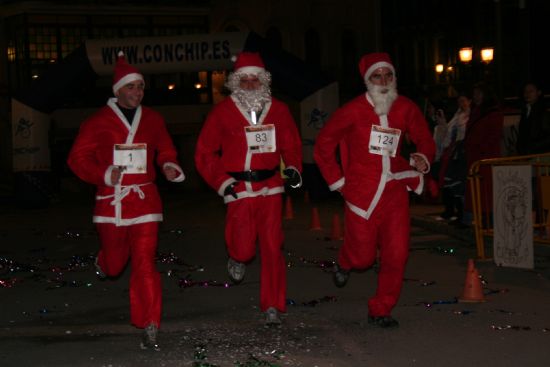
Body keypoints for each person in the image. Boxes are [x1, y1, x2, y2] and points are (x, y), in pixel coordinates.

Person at [67, 51, 185, 351]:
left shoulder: (154, 119)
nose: (137, 92)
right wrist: (104, 173)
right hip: (112, 202)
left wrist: (169, 165)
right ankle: (104, 261)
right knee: (116, 264)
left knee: (145, 264)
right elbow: (76, 159)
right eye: (131, 87)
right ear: (118, 90)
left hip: (145, 200)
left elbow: (165, 150)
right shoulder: (97, 121)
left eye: (141, 87)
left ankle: (150, 324)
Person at [313, 52, 435, 328]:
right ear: (368, 80)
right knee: (362, 257)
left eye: (388, 75)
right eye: (377, 76)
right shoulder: (352, 110)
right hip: (361, 193)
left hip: (395, 191)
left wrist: (422, 157)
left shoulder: (405, 108)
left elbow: (425, 138)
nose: (383, 81)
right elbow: (323, 145)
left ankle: (381, 308)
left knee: (397, 253)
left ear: (394, 78)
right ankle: (345, 260)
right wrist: (338, 182)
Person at [194, 52, 302, 325]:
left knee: (272, 247)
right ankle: (237, 257)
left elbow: (291, 144)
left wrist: (293, 167)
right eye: (245, 79)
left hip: (271, 187)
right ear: (235, 82)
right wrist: (222, 183)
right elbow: (205, 153)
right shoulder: (222, 112)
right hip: (238, 187)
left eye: (256, 79)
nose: (251, 84)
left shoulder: (279, 109)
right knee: (244, 247)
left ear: (264, 81)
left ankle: (273, 306)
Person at [463, 82, 503, 224]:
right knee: (478, 190)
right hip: (475, 156)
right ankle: (481, 218)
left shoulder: (492, 113)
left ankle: (488, 219)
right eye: (475, 93)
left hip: (485, 157)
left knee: (486, 190)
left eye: (479, 93)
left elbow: (493, 136)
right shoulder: (477, 111)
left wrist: (479, 147)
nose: (476, 96)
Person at [436, 93, 472, 223]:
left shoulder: (470, 116)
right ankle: (456, 212)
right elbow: (448, 133)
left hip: (462, 150)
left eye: (464, 100)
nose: (461, 104)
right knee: (451, 181)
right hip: (454, 149)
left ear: (469, 101)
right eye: (459, 102)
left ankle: (462, 214)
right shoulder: (457, 117)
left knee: (459, 182)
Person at [516, 81, 550, 155]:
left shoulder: (544, 111)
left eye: (531, 91)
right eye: (525, 91)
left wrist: (532, 147)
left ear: (539, 92)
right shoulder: (526, 110)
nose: (527, 94)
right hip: (528, 154)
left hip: (541, 154)